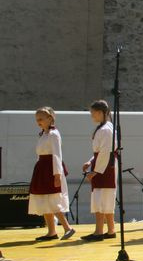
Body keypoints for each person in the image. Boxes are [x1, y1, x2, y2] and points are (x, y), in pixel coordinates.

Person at [28, 107, 75, 241]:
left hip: (50, 169)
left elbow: (57, 155)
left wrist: (57, 175)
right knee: (44, 199)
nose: (39, 122)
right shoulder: (43, 134)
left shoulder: (54, 134)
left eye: (41, 119)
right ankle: (51, 232)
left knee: (52, 200)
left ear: (50, 119)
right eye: (37, 120)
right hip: (42, 169)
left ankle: (67, 228)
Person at [80, 100, 117, 241]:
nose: (92, 116)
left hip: (105, 167)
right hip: (104, 165)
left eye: (93, 113)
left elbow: (105, 152)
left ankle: (99, 231)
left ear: (101, 113)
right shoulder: (105, 128)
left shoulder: (106, 129)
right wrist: (91, 161)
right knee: (105, 198)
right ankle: (111, 230)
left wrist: (95, 171)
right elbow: (101, 151)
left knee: (100, 198)